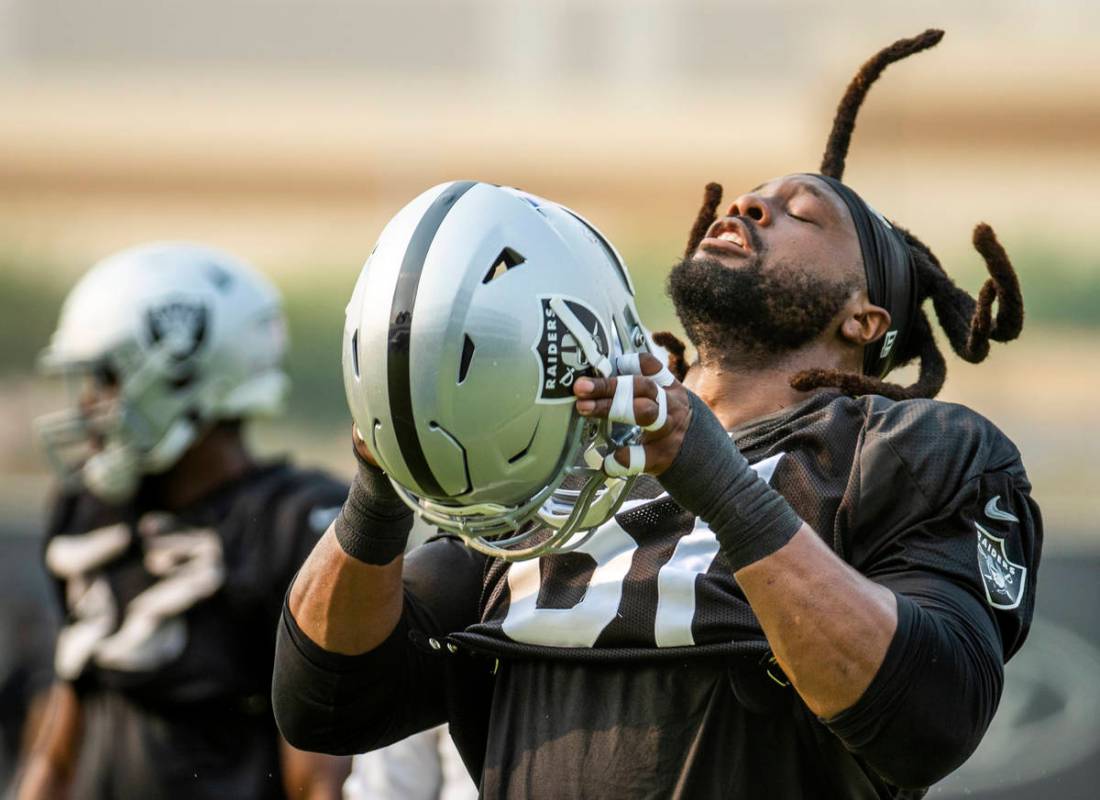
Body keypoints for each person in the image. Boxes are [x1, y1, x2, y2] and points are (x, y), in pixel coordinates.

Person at [272, 30, 1042, 799]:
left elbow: (931, 716)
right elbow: (327, 699)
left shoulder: (918, 448)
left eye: (801, 214)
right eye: (754, 197)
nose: (751, 204)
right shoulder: (558, 455)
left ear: (864, 319)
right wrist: (382, 479)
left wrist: (710, 475)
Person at [16, 243, 351, 800]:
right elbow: (61, 732)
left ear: (183, 378)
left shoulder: (291, 525)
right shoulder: (86, 512)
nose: (88, 407)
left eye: (107, 379)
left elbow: (320, 772)